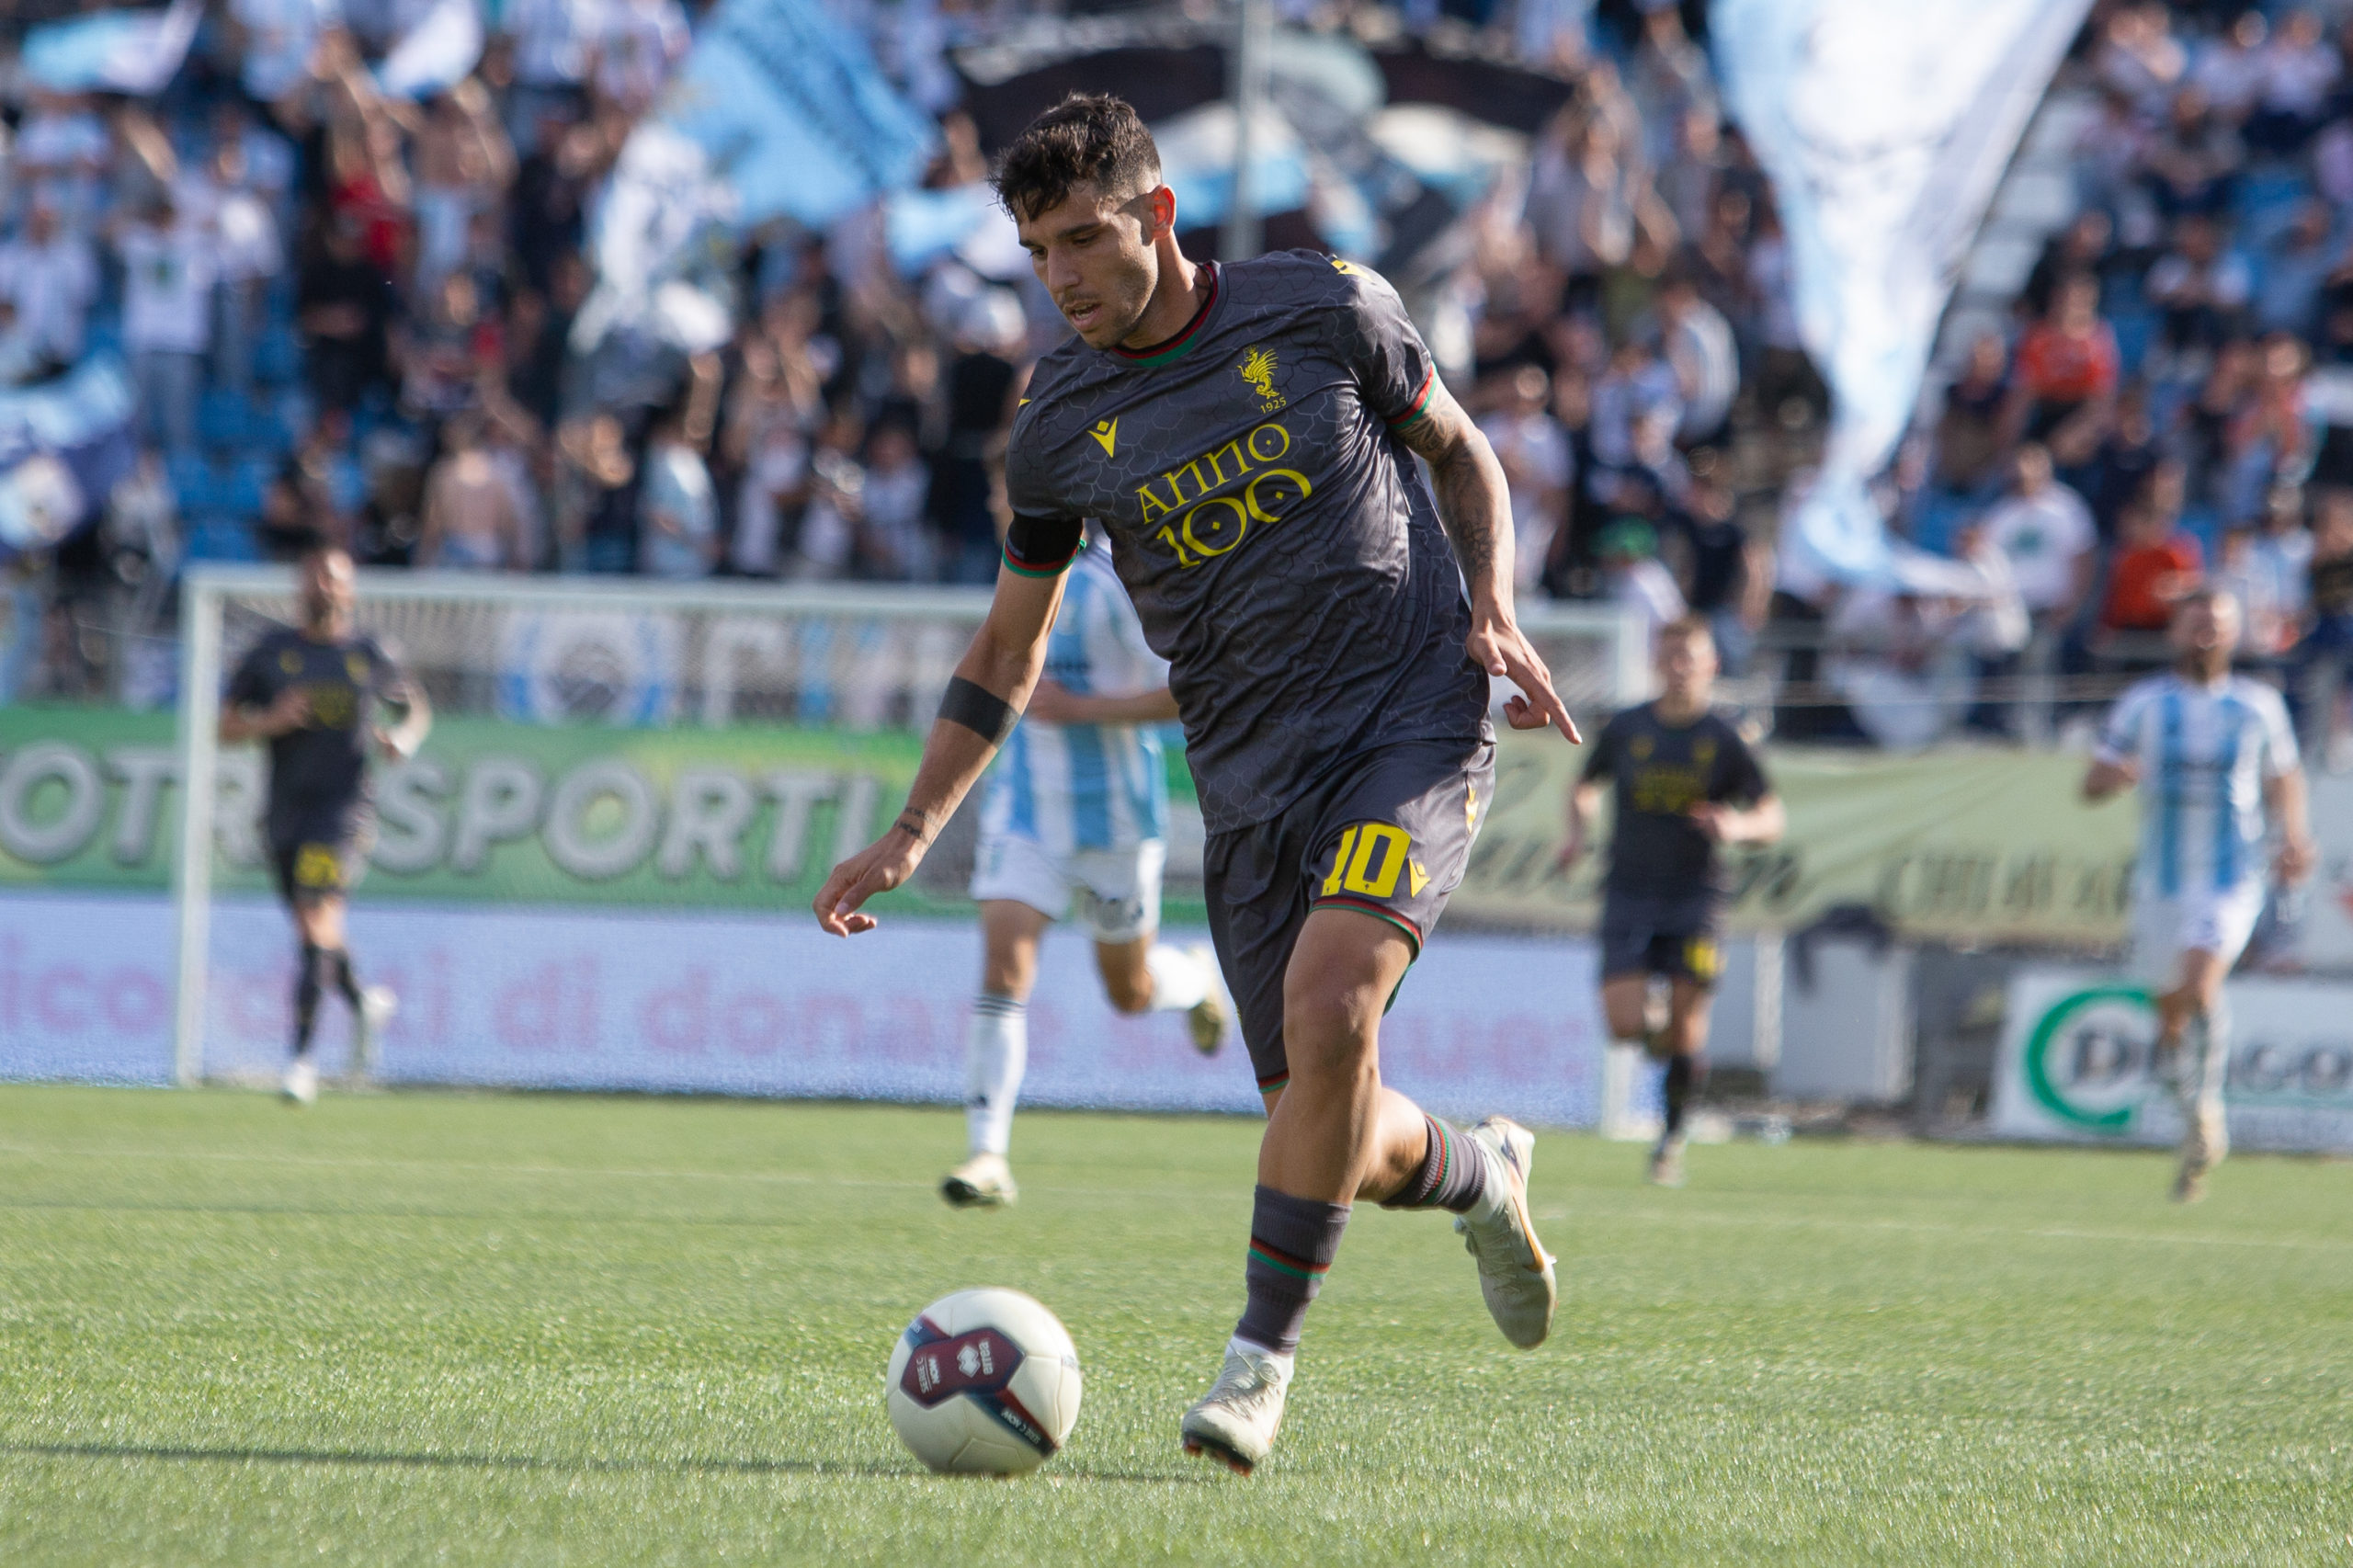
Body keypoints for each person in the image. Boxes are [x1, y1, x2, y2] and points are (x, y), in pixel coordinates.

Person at [813, 93, 1578, 1476]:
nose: (1060, 276)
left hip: (1406, 717)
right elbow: (1009, 644)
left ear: (1156, 214)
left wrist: (1492, 606)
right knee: (1324, 1119)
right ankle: (1481, 1171)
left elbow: (1462, 451)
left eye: (1081, 238)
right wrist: (914, 827)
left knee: (1334, 1006)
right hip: (1246, 776)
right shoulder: (1059, 421)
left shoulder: (1323, 306)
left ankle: (1255, 1367)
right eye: (1037, 252)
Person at [944, 533, 1229, 1208]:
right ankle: (988, 1153)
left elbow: (1191, 688)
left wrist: (1085, 709)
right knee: (1004, 968)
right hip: (1024, 816)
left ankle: (1194, 979)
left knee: (1129, 992)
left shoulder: (1117, 585)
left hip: (1115, 823)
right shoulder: (1014, 572)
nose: (999, 507)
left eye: (1007, 493)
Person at [2082, 588, 2313, 1202]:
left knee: (2200, 981)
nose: (2206, 633)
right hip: (2160, 881)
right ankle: (2192, 1132)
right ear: (2175, 632)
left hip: (2231, 875)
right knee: (2171, 1013)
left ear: (2235, 634)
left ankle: (2208, 1108)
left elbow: (2284, 776)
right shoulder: (2144, 703)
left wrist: (2294, 836)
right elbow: (2093, 780)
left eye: (2217, 624)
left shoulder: (2258, 704)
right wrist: (2112, 777)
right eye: (2196, 623)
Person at [1558, 618, 1782, 1186]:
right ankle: (1657, 1031)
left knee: (1686, 1031)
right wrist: (1578, 828)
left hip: (1696, 899)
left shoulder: (1725, 738)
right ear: (1656, 663)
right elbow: (1585, 783)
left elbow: (1771, 815)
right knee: (1624, 1025)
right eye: (1671, 656)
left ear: (1711, 665)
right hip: (1629, 891)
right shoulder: (1627, 727)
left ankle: (1670, 1139)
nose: (1680, 667)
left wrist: (1736, 826)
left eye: (1691, 657)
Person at [221, 542, 431, 1106]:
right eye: (315, 577)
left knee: (316, 923)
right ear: (300, 586)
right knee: (315, 931)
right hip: (284, 813)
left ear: (351, 589)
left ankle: (301, 1062)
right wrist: (271, 720)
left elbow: (415, 707)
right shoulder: (271, 653)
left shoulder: (369, 653)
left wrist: (403, 738)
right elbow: (225, 726)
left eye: (334, 578)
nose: (324, 587)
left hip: (342, 814)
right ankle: (363, 1002)